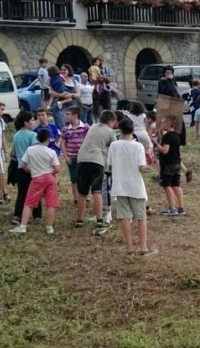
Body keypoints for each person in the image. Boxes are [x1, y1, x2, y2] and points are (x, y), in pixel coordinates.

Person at [109, 119, 156, 255]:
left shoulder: (114, 145)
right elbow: (142, 167)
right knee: (141, 217)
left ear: (120, 130)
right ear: (133, 131)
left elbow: (111, 163)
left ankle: (129, 247)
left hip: (120, 185)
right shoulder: (138, 146)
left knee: (125, 217)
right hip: (135, 186)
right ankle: (143, 247)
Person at [10, 129, 60, 235]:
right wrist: (52, 171)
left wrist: (31, 170)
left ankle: (23, 226)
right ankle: (49, 227)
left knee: (29, 203)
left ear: (37, 138)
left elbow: (23, 165)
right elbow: (57, 168)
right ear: (48, 140)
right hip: (50, 178)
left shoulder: (30, 150)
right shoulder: (51, 152)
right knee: (50, 204)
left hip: (37, 177)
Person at [76, 109, 118, 235]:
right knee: (97, 190)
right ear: (111, 122)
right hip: (97, 161)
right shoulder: (110, 131)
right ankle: (100, 219)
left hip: (82, 159)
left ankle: (79, 220)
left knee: (82, 193)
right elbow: (115, 147)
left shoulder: (93, 126)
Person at [9, 111, 40, 223]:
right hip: (31, 168)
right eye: (32, 120)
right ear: (26, 122)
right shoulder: (33, 135)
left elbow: (13, 152)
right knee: (36, 192)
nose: (34, 122)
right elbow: (34, 151)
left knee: (21, 193)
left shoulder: (16, 135)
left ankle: (18, 215)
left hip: (20, 168)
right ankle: (37, 215)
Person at [60, 106, 89, 210]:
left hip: (83, 157)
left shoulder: (85, 127)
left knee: (84, 177)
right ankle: (76, 197)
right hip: (71, 156)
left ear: (75, 115)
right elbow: (63, 143)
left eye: (68, 114)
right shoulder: (65, 129)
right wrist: (65, 155)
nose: (66, 116)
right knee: (74, 178)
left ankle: (84, 195)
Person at [157, 116, 185, 216]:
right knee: (176, 185)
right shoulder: (177, 136)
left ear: (168, 124)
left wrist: (156, 144)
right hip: (176, 163)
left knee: (167, 185)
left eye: (163, 123)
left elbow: (165, 150)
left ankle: (172, 208)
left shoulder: (167, 136)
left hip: (168, 164)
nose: (162, 125)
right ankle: (181, 207)